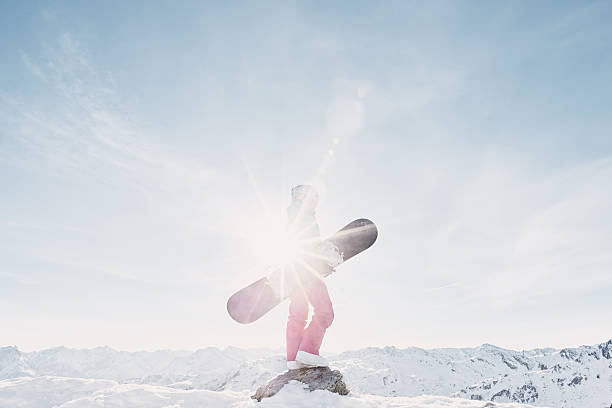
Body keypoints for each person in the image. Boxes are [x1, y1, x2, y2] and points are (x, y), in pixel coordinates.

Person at [284, 185, 342, 370]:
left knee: (297, 316)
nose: (314, 201)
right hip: (306, 271)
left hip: (293, 272)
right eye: (310, 197)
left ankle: (293, 360)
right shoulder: (305, 218)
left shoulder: (293, 216)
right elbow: (307, 247)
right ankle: (308, 351)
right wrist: (323, 260)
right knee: (325, 313)